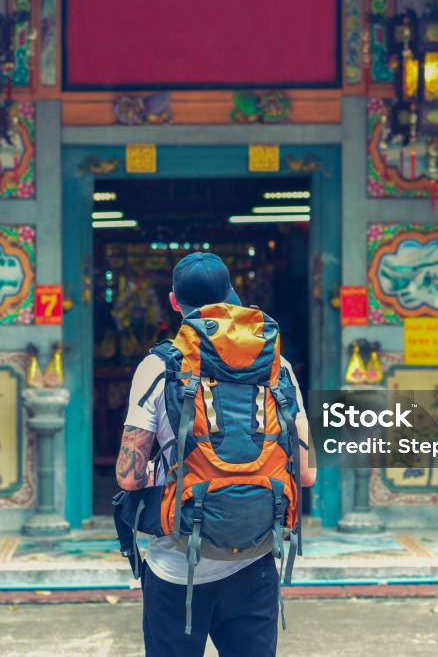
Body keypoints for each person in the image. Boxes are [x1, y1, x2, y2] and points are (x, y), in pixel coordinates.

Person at [115, 252, 316, 657]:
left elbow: (129, 477)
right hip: (256, 558)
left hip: (177, 567)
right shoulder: (279, 366)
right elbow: (307, 473)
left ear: (174, 302)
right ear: (232, 296)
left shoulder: (158, 366)